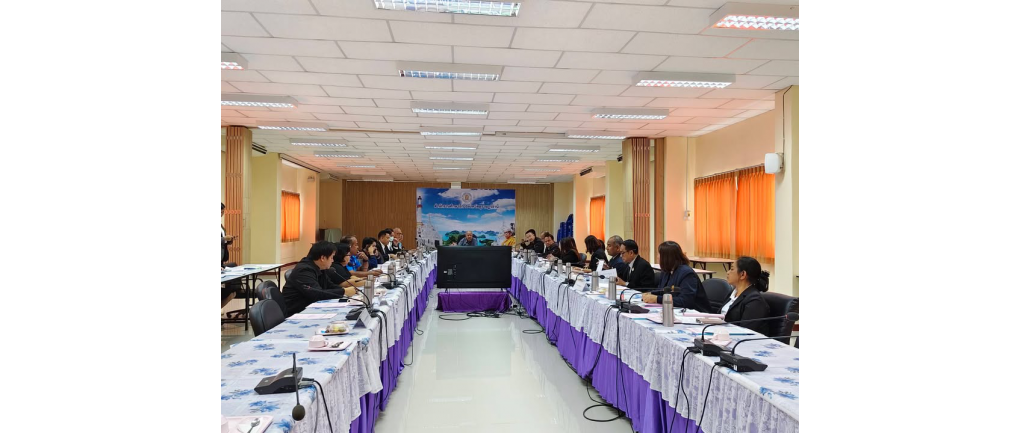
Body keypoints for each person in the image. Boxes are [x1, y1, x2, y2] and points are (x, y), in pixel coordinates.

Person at [282, 241, 357, 316]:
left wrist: (346, 290)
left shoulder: (319, 267)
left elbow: (329, 285)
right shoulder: (304, 270)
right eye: (331, 257)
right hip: (298, 312)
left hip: (311, 307)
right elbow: (316, 294)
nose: (333, 260)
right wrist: (344, 292)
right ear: (322, 258)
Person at [641, 241, 712, 311]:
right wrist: (650, 294)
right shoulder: (666, 271)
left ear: (667, 257)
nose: (657, 257)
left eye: (659, 254)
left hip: (696, 314)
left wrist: (657, 299)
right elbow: (661, 291)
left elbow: (686, 301)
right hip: (675, 310)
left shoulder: (687, 274)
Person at [721, 257, 772, 334]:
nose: (728, 272)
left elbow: (745, 331)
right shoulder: (733, 293)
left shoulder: (755, 301)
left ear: (743, 274)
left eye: (731, 269)